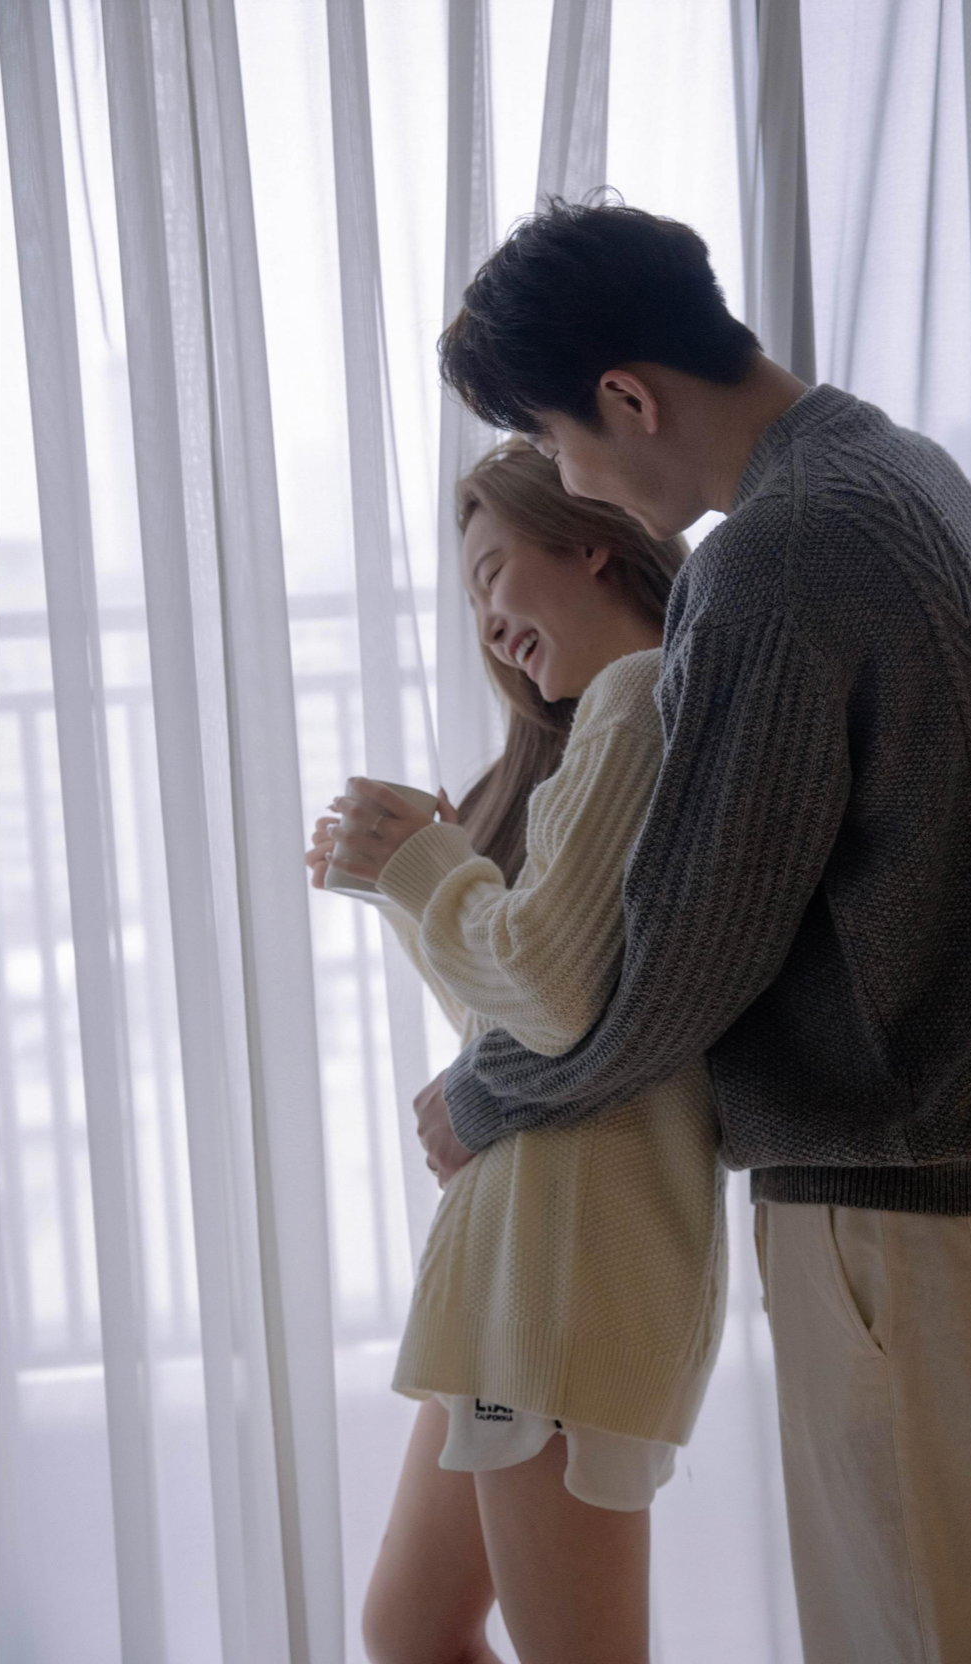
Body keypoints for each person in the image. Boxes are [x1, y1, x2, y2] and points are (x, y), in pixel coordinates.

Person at [409, 200, 971, 1663]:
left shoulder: (779, 553)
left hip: (912, 1192)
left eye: (555, 441)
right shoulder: (897, 467)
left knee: (927, 1629)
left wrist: (485, 1094)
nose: (569, 479)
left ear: (628, 398)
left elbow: (683, 961)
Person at [306, 441, 727, 1664]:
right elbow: (520, 1013)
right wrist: (405, 880)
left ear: (589, 542)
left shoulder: (638, 699)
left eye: (494, 571)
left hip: (564, 1270)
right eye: (472, 594)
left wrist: (422, 866)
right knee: (411, 1625)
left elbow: (548, 994)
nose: (487, 619)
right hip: (528, 1271)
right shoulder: (613, 720)